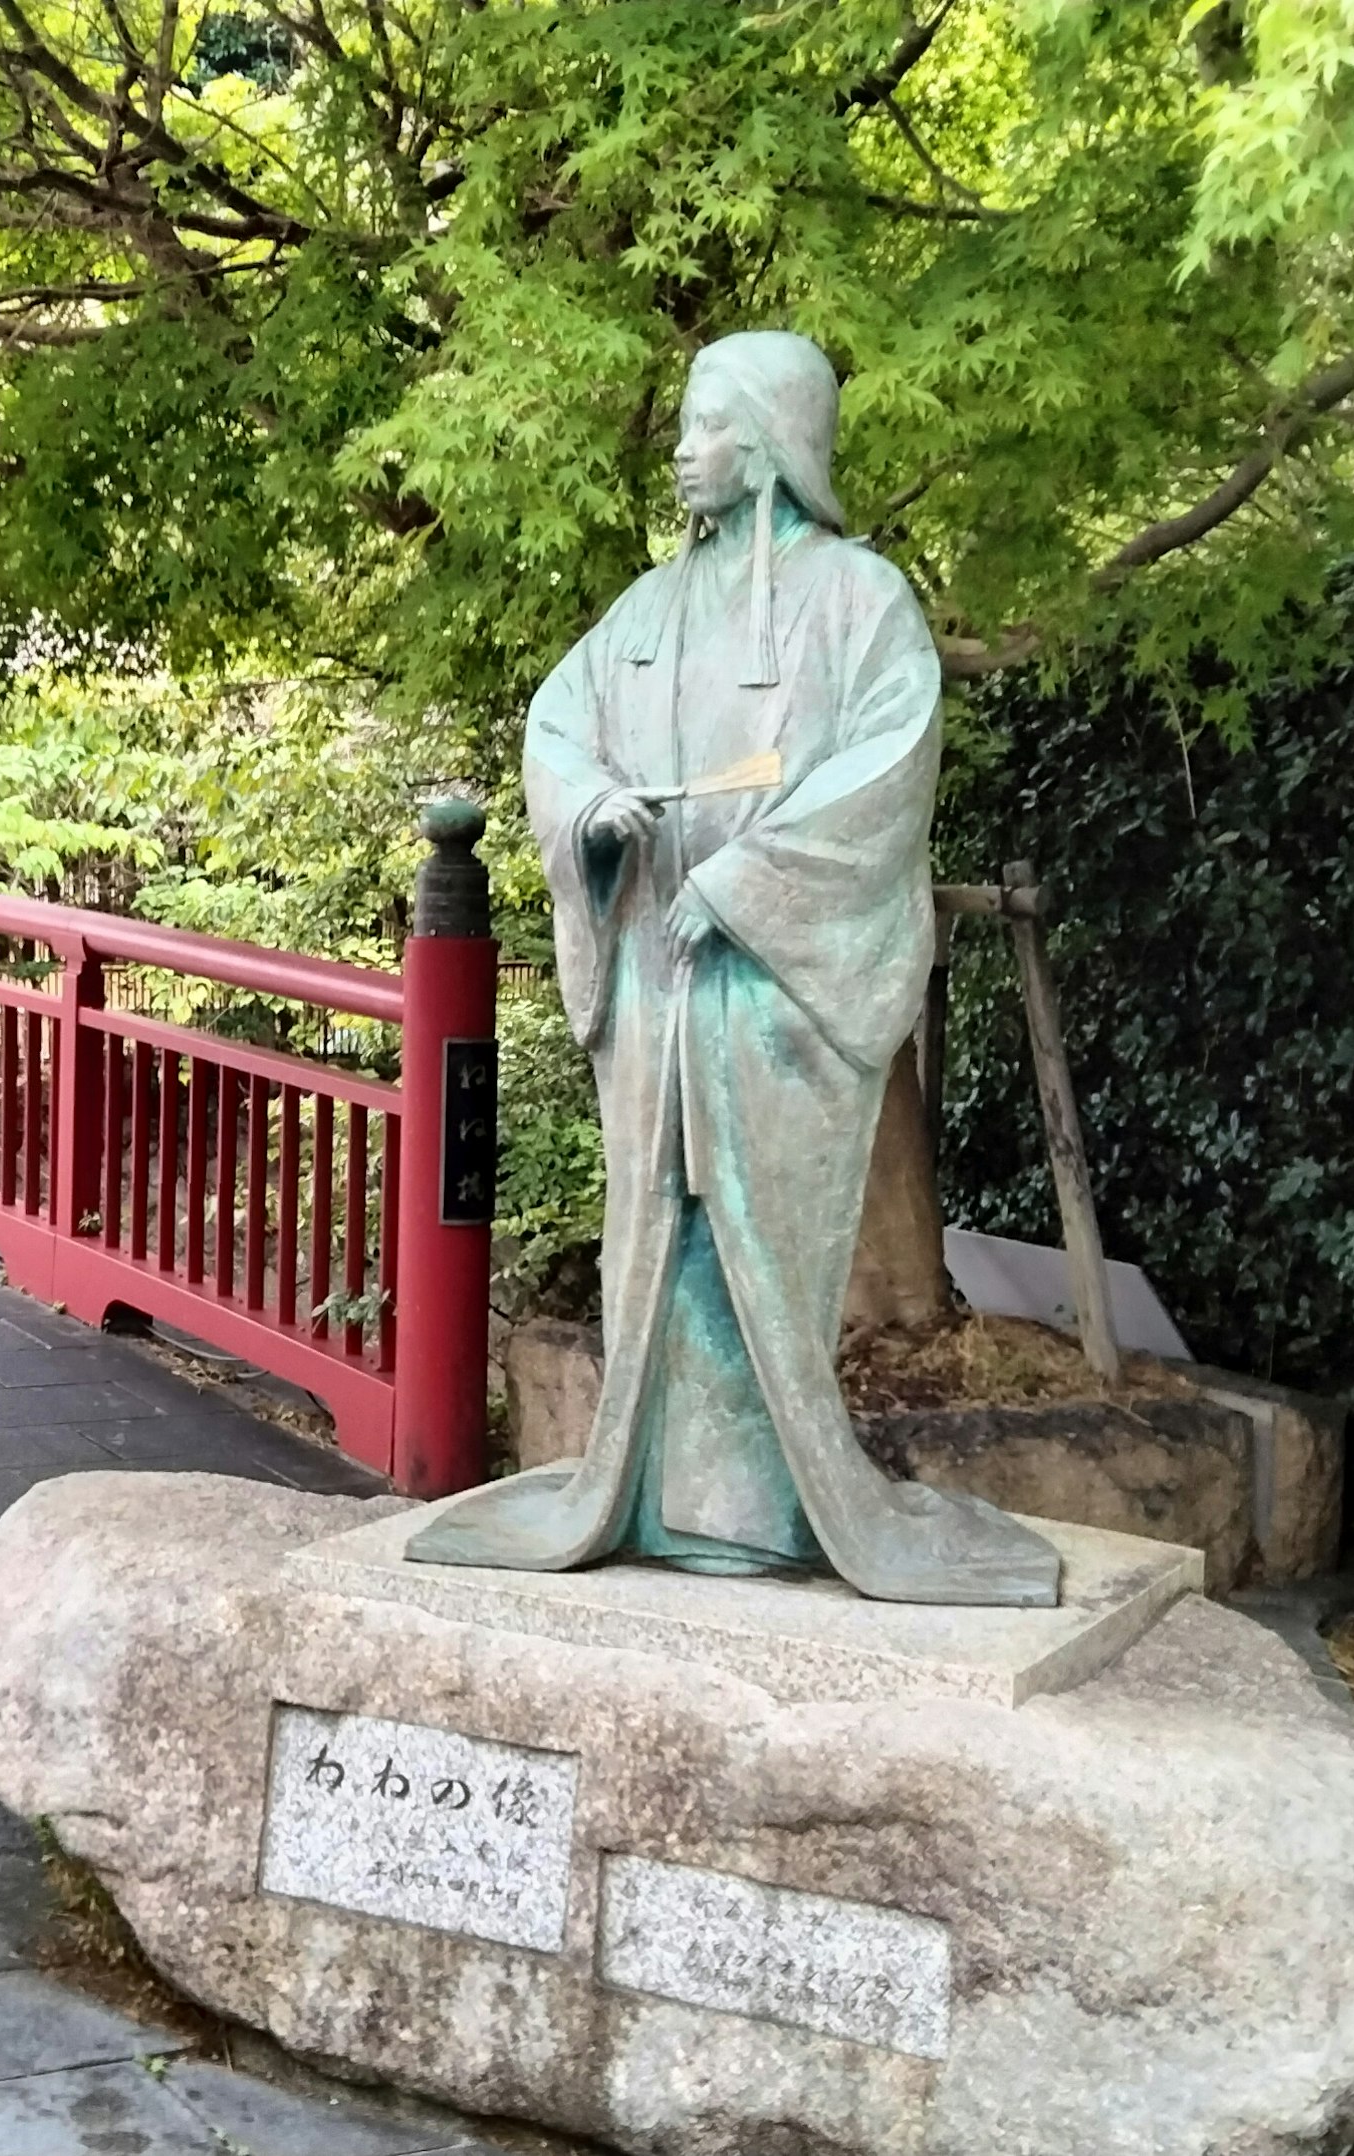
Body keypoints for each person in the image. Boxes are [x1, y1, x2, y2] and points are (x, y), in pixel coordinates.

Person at [403, 330, 1061, 1607]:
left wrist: (743, 885)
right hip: (653, 969)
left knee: (765, 1241)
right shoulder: (646, 611)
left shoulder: (862, 600)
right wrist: (594, 811)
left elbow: (887, 766)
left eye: (711, 430)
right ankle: (645, 1494)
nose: (685, 453)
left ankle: (769, 1508)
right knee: (656, 1232)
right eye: (688, 428)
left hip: (769, 993)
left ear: (771, 449)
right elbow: (558, 725)